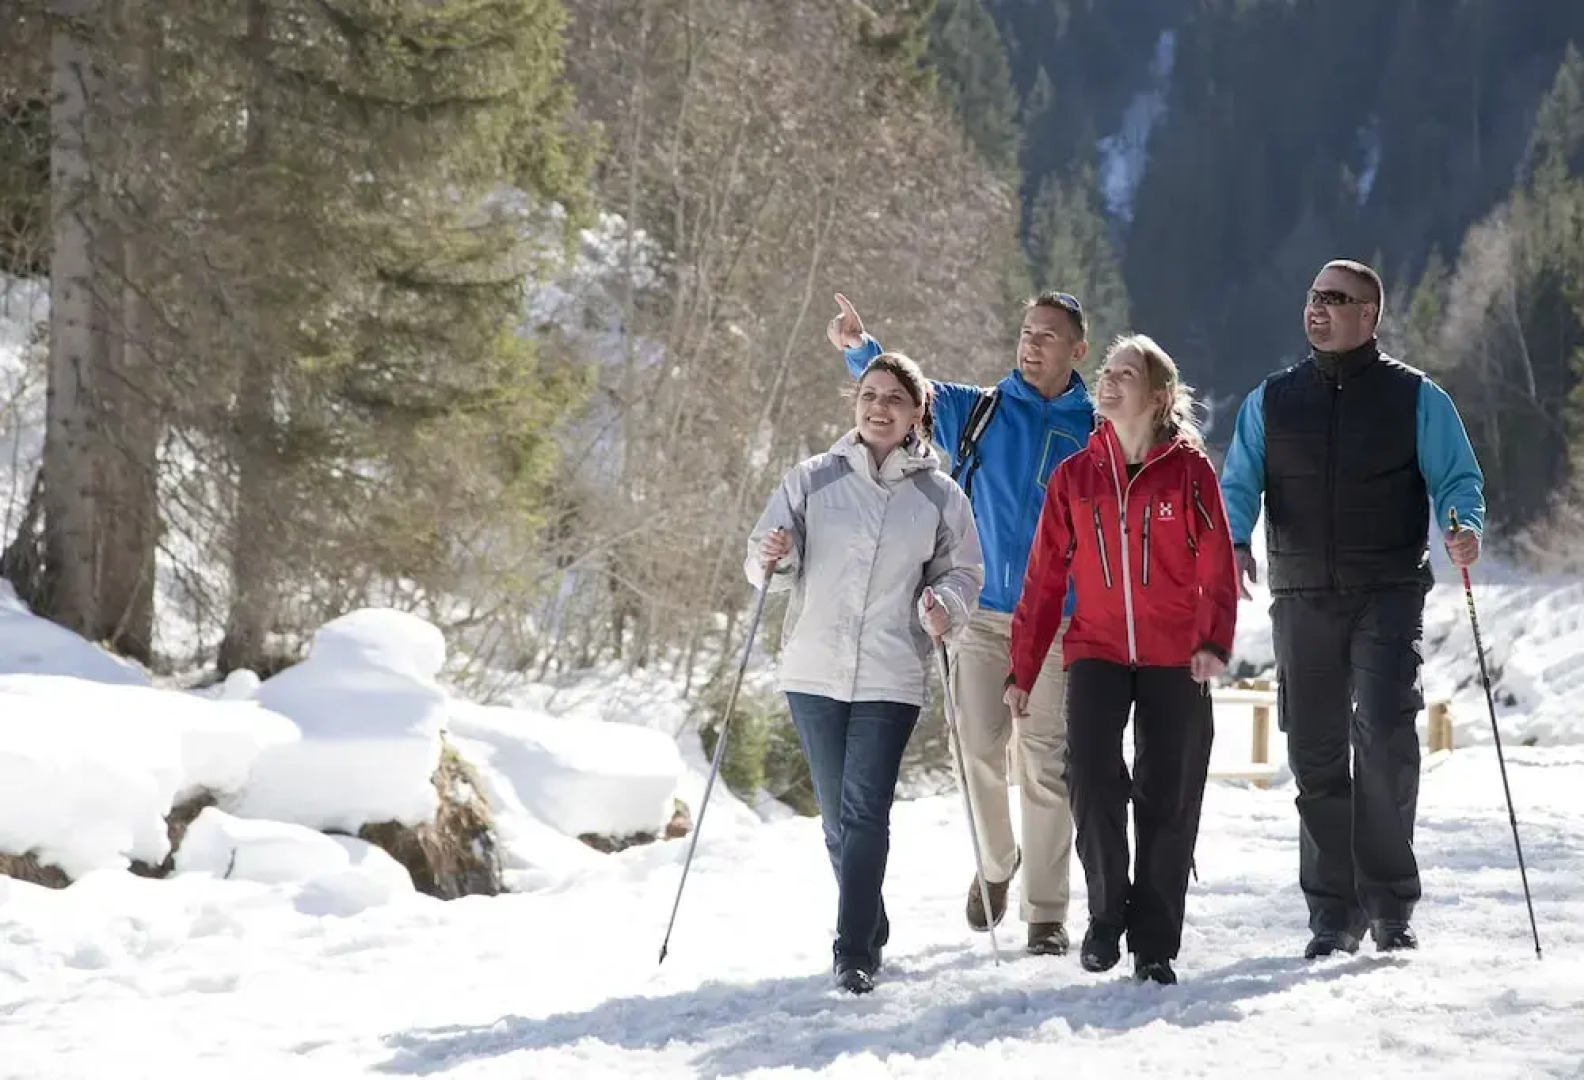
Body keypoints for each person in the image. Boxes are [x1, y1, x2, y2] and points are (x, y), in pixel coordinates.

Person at [1219, 259, 1486, 959]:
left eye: (1335, 299)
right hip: (1301, 595)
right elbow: (1239, 480)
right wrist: (1233, 538)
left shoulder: (1416, 398)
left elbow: (1457, 477)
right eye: (1313, 295)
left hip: (1389, 591)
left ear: (1369, 315)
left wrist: (1463, 524)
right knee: (1314, 753)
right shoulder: (1271, 401)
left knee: (1387, 735)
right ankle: (1331, 914)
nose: (1318, 308)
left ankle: (1391, 904)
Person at [829, 291, 1095, 956]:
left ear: (1078, 350)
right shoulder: (977, 410)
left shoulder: (1097, 425)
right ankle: (996, 863)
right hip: (979, 616)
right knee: (974, 747)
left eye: (1048, 336)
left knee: (1044, 765)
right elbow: (901, 397)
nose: (1032, 345)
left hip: (1060, 624)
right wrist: (860, 346)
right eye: (1027, 331)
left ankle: (1046, 912)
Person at [746, 349, 983, 995]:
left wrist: (947, 604)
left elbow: (962, 572)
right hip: (813, 668)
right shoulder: (812, 479)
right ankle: (870, 921)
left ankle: (853, 952)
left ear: (916, 415)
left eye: (894, 400)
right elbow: (762, 558)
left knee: (866, 812)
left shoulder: (941, 495)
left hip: (892, 669)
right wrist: (777, 553)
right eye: (869, 395)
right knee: (836, 820)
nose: (879, 408)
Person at [1004, 334, 1238, 986]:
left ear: (1159, 396)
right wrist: (1022, 669)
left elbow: (1217, 565)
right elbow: (1044, 580)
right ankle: (1107, 915)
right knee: (1091, 778)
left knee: (1168, 794)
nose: (1106, 383)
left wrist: (1213, 640)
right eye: (1105, 373)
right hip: (1097, 649)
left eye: (1123, 375)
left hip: (1177, 656)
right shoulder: (1075, 477)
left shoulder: (1191, 473)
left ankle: (1156, 941)